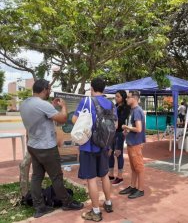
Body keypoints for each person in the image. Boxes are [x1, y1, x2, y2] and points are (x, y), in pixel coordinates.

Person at [20, 79, 83, 218]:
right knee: (56, 177)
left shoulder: (24, 103)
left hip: (33, 146)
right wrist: (64, 106)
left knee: (37, 176)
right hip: (47, 148)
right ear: (44, 89)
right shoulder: (43, 105)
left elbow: (41, 115)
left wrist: (52, 107)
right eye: (49, 88)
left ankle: (39, 207)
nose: (50, 91)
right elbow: (62, 119)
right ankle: (66, 202)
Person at [72, 77, 116, 222]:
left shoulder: (86, 101)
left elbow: (75, 120)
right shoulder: (111, 103)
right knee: (104, 175)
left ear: (91, 88)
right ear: (104, 89)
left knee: (91, 179)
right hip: (104, 145)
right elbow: (115, 125)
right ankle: (108, 203)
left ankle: (96, 212)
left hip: (88, 146)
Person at [119, 90, 146, 199]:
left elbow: (139, 129)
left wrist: (126, 127)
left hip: (135, 144)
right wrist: (128, 130)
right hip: (132, 142)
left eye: (128, 97)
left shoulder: (137, 111)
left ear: (134, 99)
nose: (126, 99)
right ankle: (133, 186)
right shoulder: (133, 110)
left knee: (139, 168)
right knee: (134, 168)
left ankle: (141, 189)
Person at [108, 90, 131, 186]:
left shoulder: (126, 108)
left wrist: (112, 118)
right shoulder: (115, 106)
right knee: (110, 153)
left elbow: (121, 121)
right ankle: (111, 174)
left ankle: (120, 177)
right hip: (112, 133)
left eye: (118, 96)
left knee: (118, 154)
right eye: (115, 96)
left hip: (119, 134)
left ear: (123, 97)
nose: (116, 98)